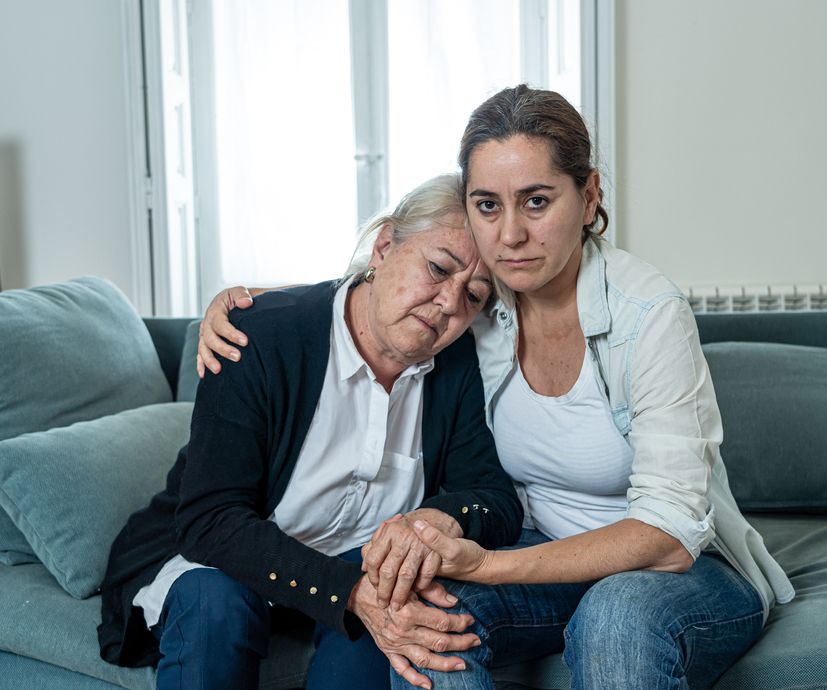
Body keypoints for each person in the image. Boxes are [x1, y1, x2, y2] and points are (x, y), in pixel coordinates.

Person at [199, 86, 795, 690]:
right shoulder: (478, 303)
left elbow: (669, 536)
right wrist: (246, 305)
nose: (509, 235)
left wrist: (488, 564)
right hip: (540, 555)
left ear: (588, 197)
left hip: (679, 572)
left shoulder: (649, 314)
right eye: (487, 205)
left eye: (536, 202)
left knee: (615, 617)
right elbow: (386, 288)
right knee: (427, 616)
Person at [97, 174, 524, 690]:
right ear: (385, 246)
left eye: (474, 296)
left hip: (360, 570)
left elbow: (495, 500)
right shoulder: (259, 337)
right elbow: (210, 521)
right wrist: (346, 591)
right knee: (215, 605)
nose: (450, 304)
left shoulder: (456, 365)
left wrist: (440, 517)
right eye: (437, 268)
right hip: (224, 562)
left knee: (397, 606)